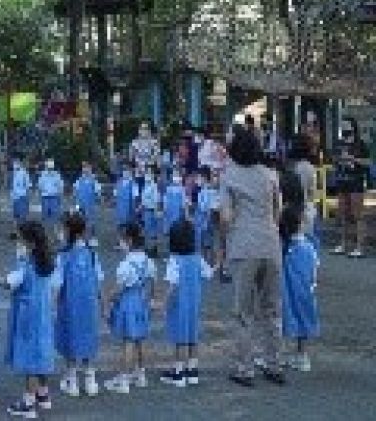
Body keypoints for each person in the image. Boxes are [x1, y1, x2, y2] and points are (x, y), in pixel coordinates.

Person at [219, 127, 284, 387]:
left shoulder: (229, 177)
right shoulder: (271, 175)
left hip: (244, 246)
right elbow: (278, 211)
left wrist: (225, 239)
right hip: (270, 243)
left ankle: (244, 368)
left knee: (243, 312)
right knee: (271, 309)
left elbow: (225, 216)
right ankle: (274, 363)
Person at [2, 221, 58, 418]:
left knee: (30, 359)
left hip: (28, 314)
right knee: (40, 352)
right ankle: (43, 394)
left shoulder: (27, 265)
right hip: (42, 312)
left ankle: (28, 402)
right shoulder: (46, 260)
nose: (17, 241)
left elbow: (10, 282)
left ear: (30, 242)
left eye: (20, 238)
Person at [160, 220, 215, 388]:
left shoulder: (174, 260)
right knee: (193, 336)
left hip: (179, 306)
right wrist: (219, 263)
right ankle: (192, 370)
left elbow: (172, 284)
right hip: (194, 304)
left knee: (180, 338)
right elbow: (209, 274)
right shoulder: (198, 259)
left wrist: (163, 302)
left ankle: (178, 372)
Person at [55, 213, 103, 397]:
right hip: (89, 305)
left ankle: (72, 380)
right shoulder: (92, 254)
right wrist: (103, 304)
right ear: (84, 232)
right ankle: (90, 380)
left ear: (68, 231)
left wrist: (54, 305)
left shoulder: (63, 255)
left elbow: (58, 284)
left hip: (69, 305)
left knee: (70, 339)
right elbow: (98, 281)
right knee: (88, 338)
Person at [104, 223, 156, 394]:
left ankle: (124, 379)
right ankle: (140, 374)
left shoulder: (125, 265)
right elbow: (152, 281)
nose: (119, 243)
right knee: (139, 339)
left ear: (129, 240)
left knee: (128, 341)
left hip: (127, 304)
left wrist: (108, 299)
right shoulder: (148, 260)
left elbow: (119, 289)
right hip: (141, 301)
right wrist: (149, 298)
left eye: (121, 240)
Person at [279, 205, 320, 373]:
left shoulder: (283, 248)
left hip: (285, 292)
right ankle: (302, 356)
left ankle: (277, 354)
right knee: (304, 319)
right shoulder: (308, 246)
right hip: (305, 291)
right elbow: (315, 268)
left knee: (282, 319)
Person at [331, 117, 368, 257]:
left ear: (353, 126)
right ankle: (343, 244)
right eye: (342, 125)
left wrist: (353, 159)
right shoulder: (339, 143)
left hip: (356, 181)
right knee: (343, 214)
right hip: (342, 180)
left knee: (358, 215)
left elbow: (367, 162)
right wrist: (339, 160)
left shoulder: (360, 144)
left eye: (346, 125)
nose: (344, 128)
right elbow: (334, 158)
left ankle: (359, 247)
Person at [193, 169, 219, 263]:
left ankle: (208, 261)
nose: (197, 180)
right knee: (201, 242)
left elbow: (212, 209)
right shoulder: (202, 191)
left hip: (206, 220)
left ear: (204, 178)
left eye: (198, 177)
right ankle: (203, 261)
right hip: (200, 219)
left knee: (207, 242)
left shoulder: (211, 191)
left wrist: (207, 222)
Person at [73, 162, 101, 247]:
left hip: (90, 204)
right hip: (80, 204)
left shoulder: (94, 180)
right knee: (81, 221)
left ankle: (92, 238)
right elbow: (75, 192)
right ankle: (81, 238)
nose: (85, 170)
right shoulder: (79, 180)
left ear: (90, 169)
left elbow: (98, 192)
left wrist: (98, 200)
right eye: (84, 168)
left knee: (91, 221)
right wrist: (76, 204)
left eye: (87, 168)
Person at [37, 160, 64, 230]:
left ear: (53, 167)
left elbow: (61, 186)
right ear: (46, 167)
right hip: (45, 197)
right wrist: (40, 195)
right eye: (48, 168)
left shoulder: (57, 175)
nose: (49, 170)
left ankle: (55, 231)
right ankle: (45, 231)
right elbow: (40, 186)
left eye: (51, 168)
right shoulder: (43, 175)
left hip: (54, 197)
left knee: (55, 216)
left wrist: (60, 198)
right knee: (45, 216)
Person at [113, 163, 139, 234]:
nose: (125, 172)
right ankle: (120, 241)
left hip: (129, 210)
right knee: (119, 227)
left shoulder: (133, 184)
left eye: (127, 171)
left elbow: (135, 198)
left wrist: (135, 209)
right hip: (120, 209)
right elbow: (115, 195)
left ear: (130, 172)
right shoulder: (118, 182)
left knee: (128, 228)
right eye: (124, 170)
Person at [11, 155, 31, 230]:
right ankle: (16, 231)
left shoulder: (24, 173)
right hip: (15, 198)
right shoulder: (14, 173)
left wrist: (26, 199)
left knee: (22, 217)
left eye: (16, 162)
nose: (14, 164)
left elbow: (28, 186)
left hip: (22, 197)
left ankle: (23, 231)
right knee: (16, 216)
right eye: (14, 162)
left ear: (20, 163)